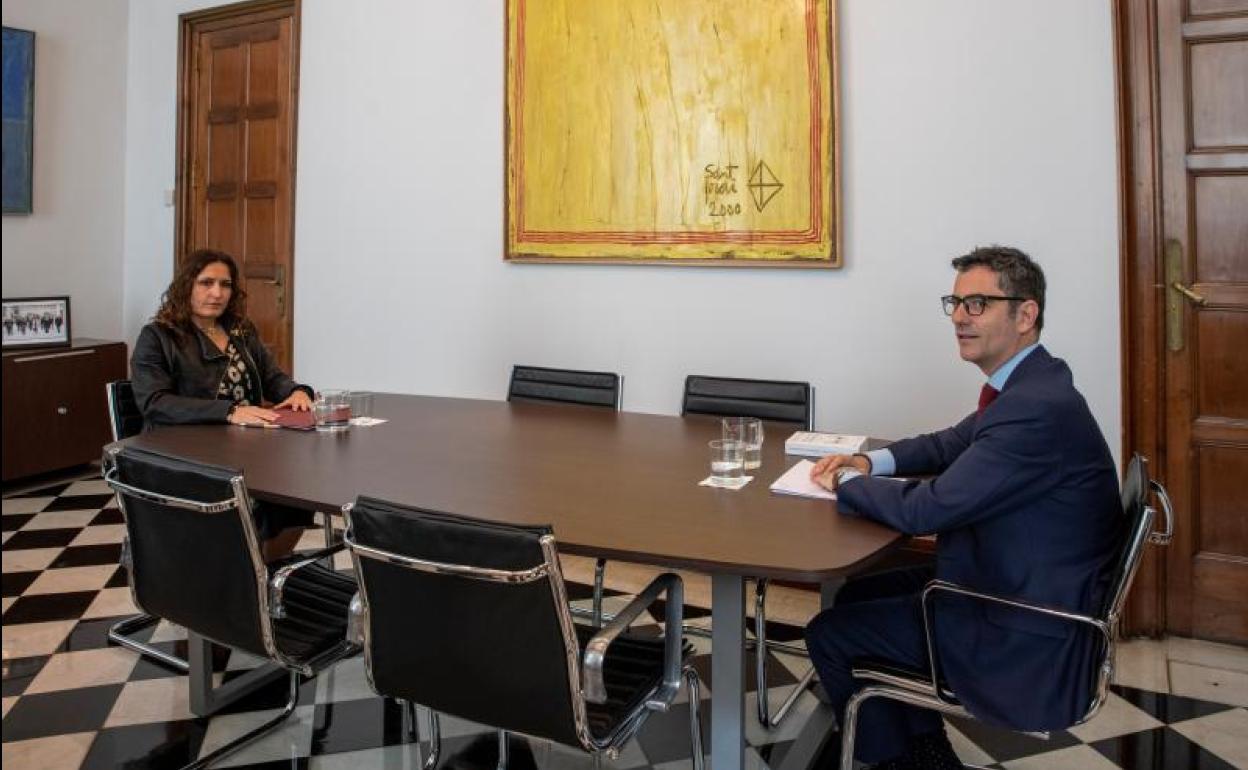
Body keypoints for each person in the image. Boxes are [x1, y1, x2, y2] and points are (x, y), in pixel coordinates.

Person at [805, 246, 1121, 769]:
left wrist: (843, 482)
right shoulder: (1032, 385)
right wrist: (868, 461)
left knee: (829, 634)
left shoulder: (1034, 410)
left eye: (977, 304)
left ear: (1025, 314)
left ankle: (892, 762)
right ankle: (925, 751)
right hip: (1015, 580)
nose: (958, 317)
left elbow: (928, 510)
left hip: (1024, 627)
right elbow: (947, 444)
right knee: (858, 592)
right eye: (954, 303)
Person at [131, 248, 316, 561]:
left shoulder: (241, 330)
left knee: (295, 491)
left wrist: (298, 391)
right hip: (189, 453)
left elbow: (272, 377)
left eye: (225, 285)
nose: (217, 293)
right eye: (206, 283)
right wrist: (230, 412)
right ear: (186, 285)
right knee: (267, 498)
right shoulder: (158, 336)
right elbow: (154, 402)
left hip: (248, 447)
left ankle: (262, 571)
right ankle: (238, 571)